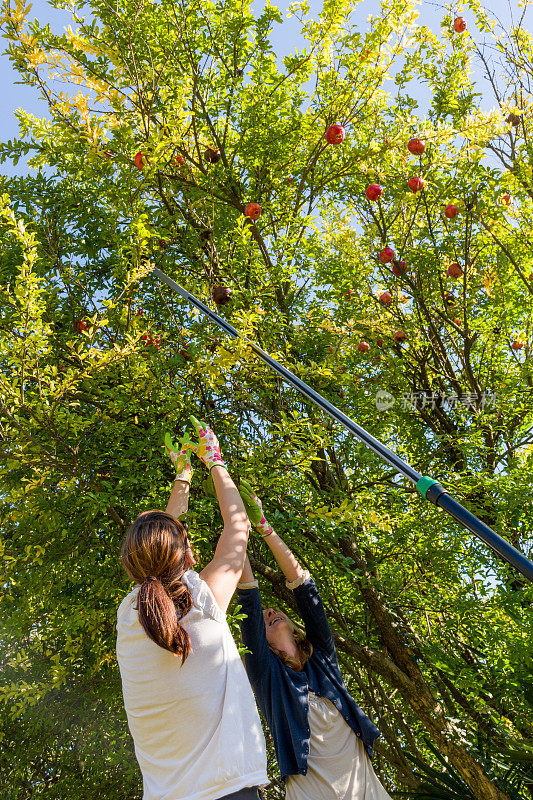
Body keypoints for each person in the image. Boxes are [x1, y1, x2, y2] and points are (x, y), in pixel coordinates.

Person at [116, 418, 268, 800]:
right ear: (186, 554)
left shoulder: (128, 618)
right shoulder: (199, 602)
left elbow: (158, 549)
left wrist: (182, 478)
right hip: (228, 791)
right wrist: (214, 460)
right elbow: (238, 526)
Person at [236, 481, 392, 800]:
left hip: (365, 791)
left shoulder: (324, 661)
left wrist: (264, 528)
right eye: (265, 618)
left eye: (275, 610)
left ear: (294, 627)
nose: (271, 613)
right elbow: (249, 601)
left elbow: (306, 591)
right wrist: (236, 527)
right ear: (260, 643)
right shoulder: (268, 676)